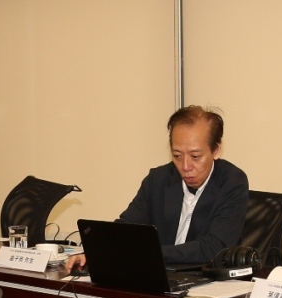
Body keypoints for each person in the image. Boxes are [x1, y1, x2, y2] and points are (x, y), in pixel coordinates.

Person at [69, 106, 249, 270]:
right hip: (160, 274)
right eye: (177, 155)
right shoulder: (158, 179)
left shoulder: (232, 182)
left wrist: (152, 252)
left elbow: (214, 248)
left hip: (204, 278)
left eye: (195, 156)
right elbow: (127, 227)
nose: (185, 166)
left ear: (216, 150)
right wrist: (97, 251)